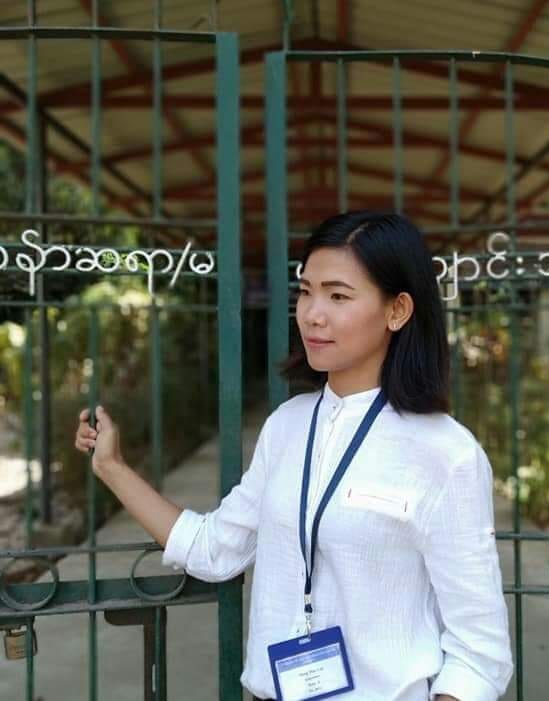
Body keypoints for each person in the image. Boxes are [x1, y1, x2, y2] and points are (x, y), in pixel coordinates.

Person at [74, 210, 514, 701]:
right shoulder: (287, 426)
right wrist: (112, 467)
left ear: (398, 310)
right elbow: (214, 549)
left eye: (338, 296)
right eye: (306, 291)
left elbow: (480, 652)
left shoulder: (445, 453)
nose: (312, 314)